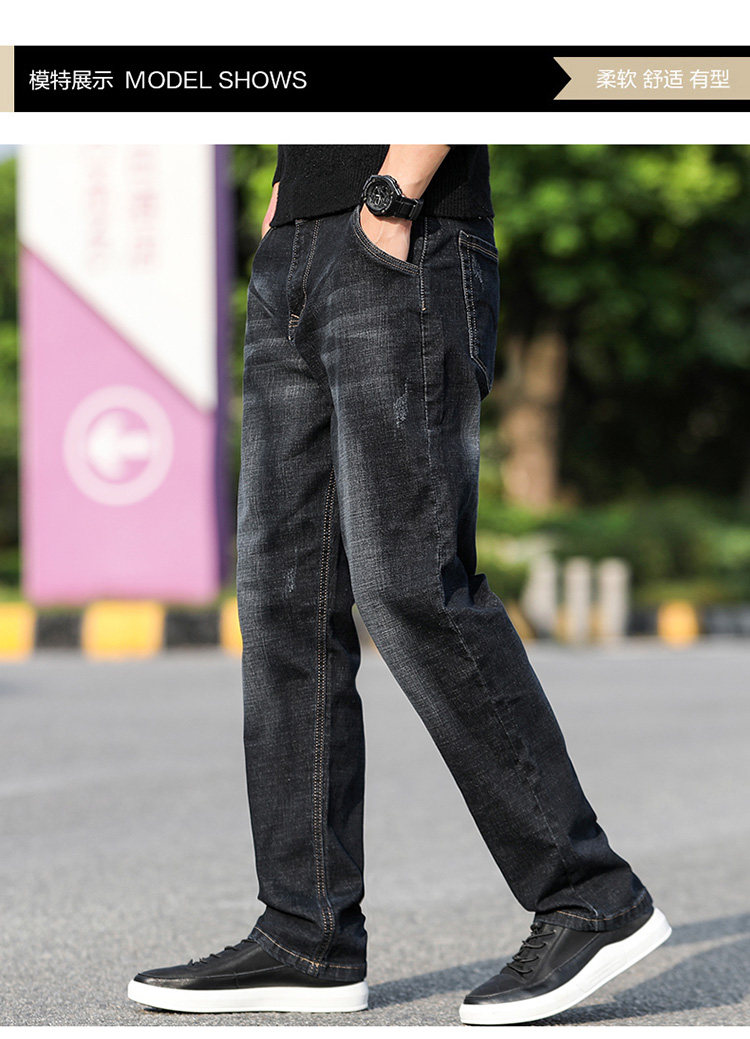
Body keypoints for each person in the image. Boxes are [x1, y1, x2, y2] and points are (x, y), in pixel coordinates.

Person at [128, 145, 670, 1025]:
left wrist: (392, 194)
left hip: (403, 235)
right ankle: (306, 933)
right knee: (282, 602)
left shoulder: (396, 212)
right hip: (296, 249)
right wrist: (288, 199)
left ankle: (590, 892)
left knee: (412, 585)